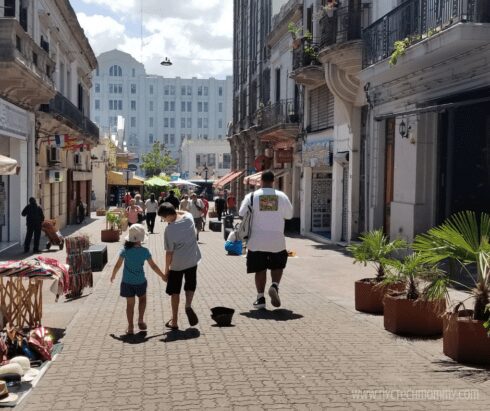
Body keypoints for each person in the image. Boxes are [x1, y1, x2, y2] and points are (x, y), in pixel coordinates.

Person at [239, 170, 293, 309]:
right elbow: (289, 215)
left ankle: (260, 298)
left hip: (257, 240)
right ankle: (274, 286)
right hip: (277, 240)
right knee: (277, 266)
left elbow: (241, 213)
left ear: (261, 181)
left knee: (260, 269)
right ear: (273, 181)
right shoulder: (282, 196)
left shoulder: (251, 196)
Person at [110, 224, 167, 335]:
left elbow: (117, 265)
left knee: (130, 305)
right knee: (142, 299)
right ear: (140, 239)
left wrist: (113, 275)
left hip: (127, 282)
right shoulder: (145, 251)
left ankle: (130, 327)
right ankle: (140, 319)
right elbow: (153, 266)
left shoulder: (125, 251)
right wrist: (162, 276)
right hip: (140, 281)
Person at [158, 203, 201, 330]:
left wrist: (166, 271)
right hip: (192, 260)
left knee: (175, 292)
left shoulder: (169, 230)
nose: (164, 221)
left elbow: (169, 253)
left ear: (168, 216)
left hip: (177, 264)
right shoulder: (189, 218)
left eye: (164, 218)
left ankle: (175, 320)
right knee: (190, 284)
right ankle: (188, 305)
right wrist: (173, 211)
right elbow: (182, 212)